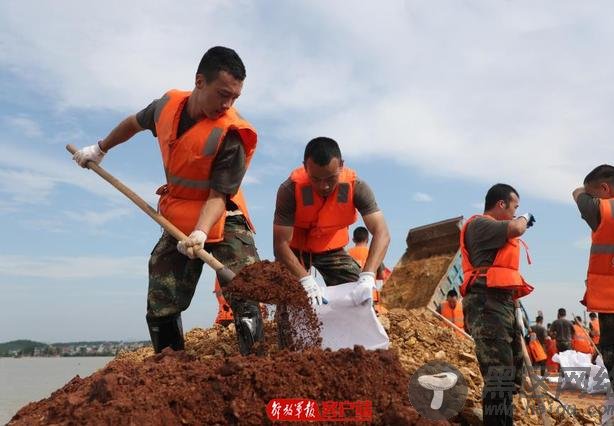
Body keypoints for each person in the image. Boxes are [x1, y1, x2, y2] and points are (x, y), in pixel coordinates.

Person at [72, 46, 264, 356]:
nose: (227, 103)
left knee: (245, 291)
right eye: (222, 94)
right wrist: (100, 148)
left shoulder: (232, 134)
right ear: (199, 81)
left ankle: (255, 365)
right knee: (161, 297)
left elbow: (219, 195)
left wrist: (200, 233)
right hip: (179, 214)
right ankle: (171, 367)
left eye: (235, 97)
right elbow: (133, 123)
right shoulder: (167, 107)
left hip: (223, 216)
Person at [273, 137, 390, 307]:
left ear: (341, 165)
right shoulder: (289, 190)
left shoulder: (356, 187)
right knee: (288, 299)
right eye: (316, 179)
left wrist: (368, 275)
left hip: (331, 248)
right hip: (295, 250)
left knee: (358, 293)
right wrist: (304, 279)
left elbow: (382, 232)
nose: (324, 186)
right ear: (305, 167)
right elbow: (280, 244)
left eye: (330, 178)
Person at [459, 183, 535, 425]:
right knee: (497, 376)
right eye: (515, 207)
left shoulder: (496, 231)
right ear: (501, 204)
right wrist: (526, 218)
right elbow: (516, 227)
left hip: (502, 304)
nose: (516, 212)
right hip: (487, 304)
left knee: (510, 376)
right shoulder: (481, 224)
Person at [573, 164, 614, 423]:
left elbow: (578, 194)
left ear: (604, 189)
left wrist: (585, 191)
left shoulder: (605, 210)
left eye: (596, 193)